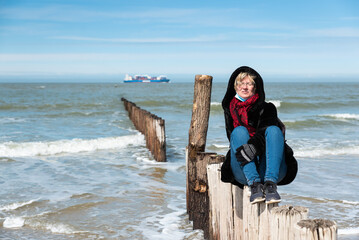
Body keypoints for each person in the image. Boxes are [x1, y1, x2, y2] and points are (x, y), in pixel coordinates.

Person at [221, 66, 298, 204]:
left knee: (274, 130)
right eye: (241, 83)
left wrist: (253, 147)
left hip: (270, 167)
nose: (244, 87)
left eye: (249, 83)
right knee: (239, 132)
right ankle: (255, 186)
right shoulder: (231, 110)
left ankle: (270, 186)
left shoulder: (267, 108)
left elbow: (264, 130)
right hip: (243, 170)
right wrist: (247, 151)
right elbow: (233, 140)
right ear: (235, 87)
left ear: (255, 87)